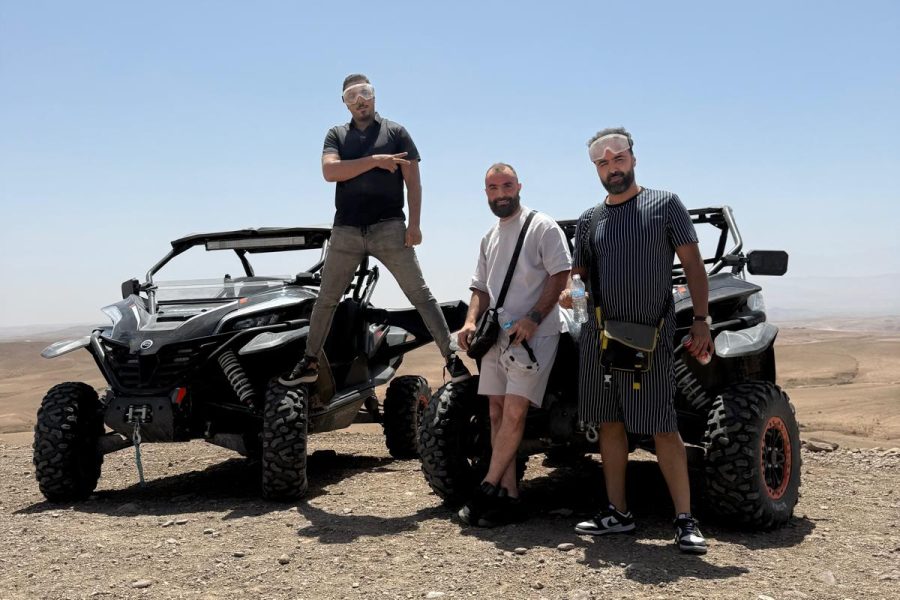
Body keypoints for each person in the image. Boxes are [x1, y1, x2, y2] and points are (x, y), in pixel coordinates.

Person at [560, 127, 711, 554]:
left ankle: (684, 519)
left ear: (633, 157)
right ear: (596, 169)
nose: (613, 168)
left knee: (663, 424)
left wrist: (701, 320)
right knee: (609, 421)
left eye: (618, 159)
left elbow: (693, 267)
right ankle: (618, 512)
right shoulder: (591, 219)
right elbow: (580, 274)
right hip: (600, 337)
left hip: (651, 336)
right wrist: (573, 289)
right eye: (603, 163)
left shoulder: (665, 205)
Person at [281, 74, 470, 387]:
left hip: (390, 228)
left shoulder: (396, 132)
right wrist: (375, 161)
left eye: (365, 93)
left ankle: (451, 357)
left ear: (374, 96)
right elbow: (330, 171)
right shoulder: (336, 134)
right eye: (352, 95)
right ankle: (310, 361)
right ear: (345, 102)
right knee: (326, 299)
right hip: (345, 232)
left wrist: (416, 225)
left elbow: (414, 182)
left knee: (419, 294)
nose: (360, 100)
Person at [456, 163, 571, 527]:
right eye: (493, 188)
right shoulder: (489, 236)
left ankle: (486, 488)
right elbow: (480, 288)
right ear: (486, 192)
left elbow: (560, 274)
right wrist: (471, 320)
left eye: (506, 185)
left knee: (516, 412)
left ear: (519, 186)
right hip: (498, 336)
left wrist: (534, 318)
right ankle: (511, 497)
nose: (501, 193)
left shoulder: (542, 226)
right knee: (495, 412)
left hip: (534, 337)